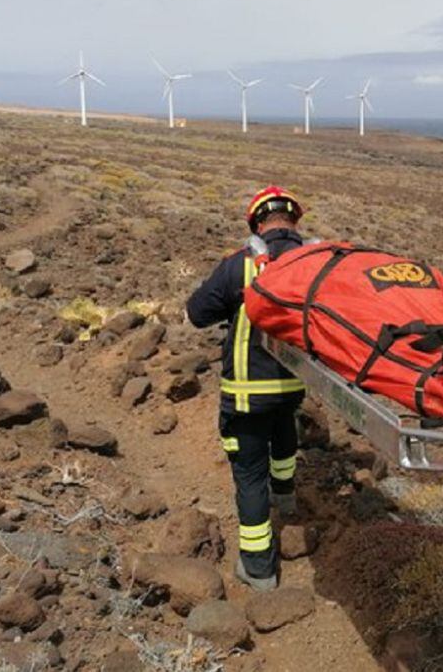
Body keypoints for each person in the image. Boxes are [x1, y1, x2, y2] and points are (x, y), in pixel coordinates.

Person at [187, 185, 308, 591]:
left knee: (250, 475)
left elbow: (197, 313)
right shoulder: (313, 266)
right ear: (294, 220)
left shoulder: (240, 265)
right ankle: (287, 496)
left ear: (257, 222)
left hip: (245, 392)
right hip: (291, 387)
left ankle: (258, 568)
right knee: (284, 433)